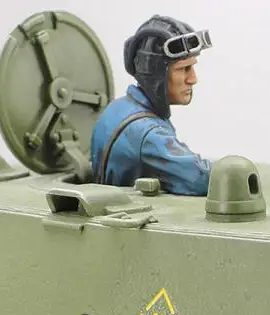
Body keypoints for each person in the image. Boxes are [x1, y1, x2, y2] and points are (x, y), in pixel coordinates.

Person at [90, 15, 213, 195]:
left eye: (192, 67)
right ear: (157, 74)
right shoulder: (149, 135)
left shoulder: (116, 109)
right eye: (183, 69)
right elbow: (202, 180)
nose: (192, 79)